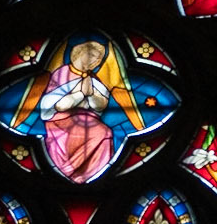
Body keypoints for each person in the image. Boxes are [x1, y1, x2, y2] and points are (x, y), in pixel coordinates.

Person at [13, 38, 149, 181]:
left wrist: (91, 94)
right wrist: (80, 94)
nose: (96, 61)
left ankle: (91, 175)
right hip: (60, 121)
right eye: (92, 55)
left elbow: (101, 105)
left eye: (99, 59)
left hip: (89, 119)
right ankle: (70, 172)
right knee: (98, 133)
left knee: (105, 132)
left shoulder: (93, 79)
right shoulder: (60, 74)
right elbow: (56, 105)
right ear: (79, 54)